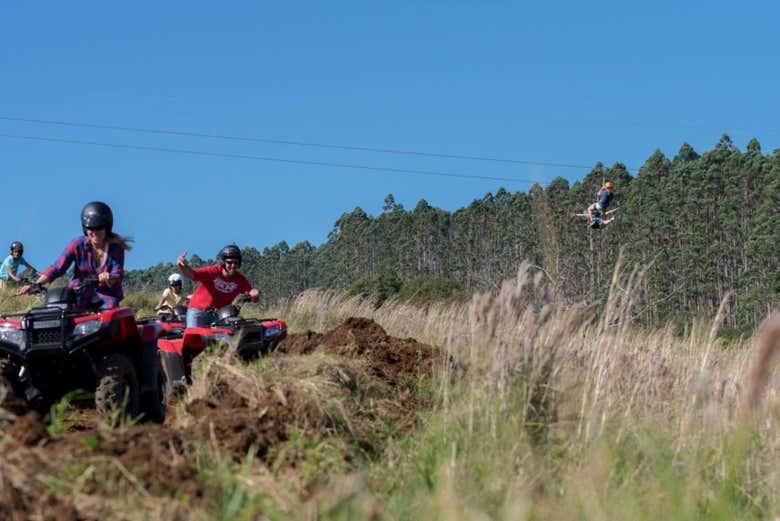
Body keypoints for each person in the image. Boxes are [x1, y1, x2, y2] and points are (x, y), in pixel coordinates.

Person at [17, 202, 133, 310]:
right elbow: (57, 268)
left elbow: (117, 275)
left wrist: (108, 277)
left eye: (99, 228)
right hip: (79, 294)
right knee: (58, 306)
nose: (95, 232)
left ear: (107, 227)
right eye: (91, 228)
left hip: (105, 297)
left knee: (110, 310)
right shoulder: (77, 244)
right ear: (85, 229)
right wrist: (35, 284)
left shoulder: (116, 247)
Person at [177, 244, 260, 328]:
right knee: (194, 336)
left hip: (219, 316)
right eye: (229, 262)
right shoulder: (213, 271)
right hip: (198, 311)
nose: (233, 265)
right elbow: (192, 275)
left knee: (232, 333)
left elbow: (251, 294)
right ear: (223, 262)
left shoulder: (240, 279)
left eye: (236, 262)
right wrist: (183, 266)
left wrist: (255, 293)